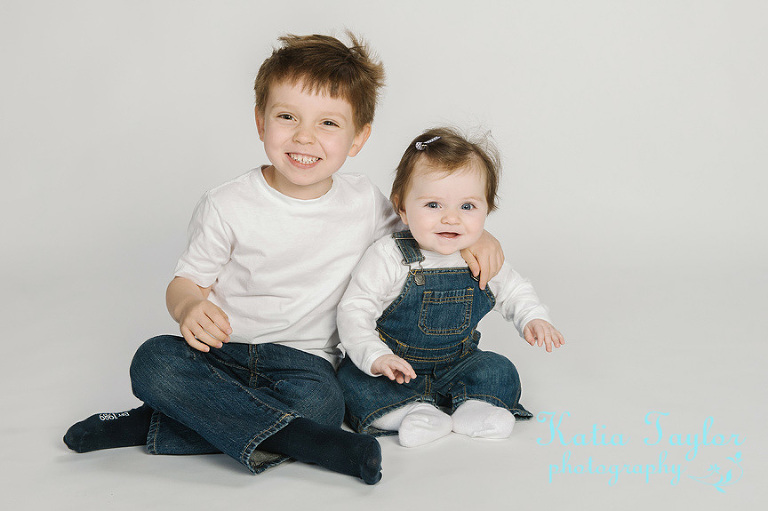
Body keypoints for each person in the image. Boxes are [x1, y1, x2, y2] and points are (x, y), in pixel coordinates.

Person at [63, 34, 504, 485]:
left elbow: (425, 231)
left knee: (326, 405)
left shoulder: (364, 201)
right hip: (222, 353)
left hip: (305, 365)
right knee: (153, 360)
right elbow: (186, 282)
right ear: (260, 121)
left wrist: (478, 235)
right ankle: (304, 440)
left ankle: (158, 424)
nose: (304, 137)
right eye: (287, 116)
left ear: (359, 138)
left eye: (328, 123)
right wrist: (189, 307)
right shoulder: (227, 203)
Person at [336, 127, 565, 448]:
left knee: (500, 370)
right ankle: (413, 414)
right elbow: (355, 310)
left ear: (487, 208)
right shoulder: (389, 255)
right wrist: (375, 356)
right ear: (401, 207)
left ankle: (475, 408)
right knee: (352, 381)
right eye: (433, 205)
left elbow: (513, 290)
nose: (451, 219)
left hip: (459, 362)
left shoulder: (480, 254)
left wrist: (534, 318)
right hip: (396, 365)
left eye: (467, 207)